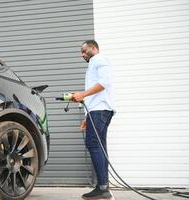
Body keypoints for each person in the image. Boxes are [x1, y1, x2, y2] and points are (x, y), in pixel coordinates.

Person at [73, 40, 115, 199]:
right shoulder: (94, 64)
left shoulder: (99, 59)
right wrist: (86, 116)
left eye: (84, 51)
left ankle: (102, 188)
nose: (83, 54)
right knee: (100, 146)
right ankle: (104, 186)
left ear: (93, 47)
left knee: (93, 143)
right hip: (97, 110)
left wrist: (82, 95)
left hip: (100, 109)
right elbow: (97, 90)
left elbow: (104, 83)